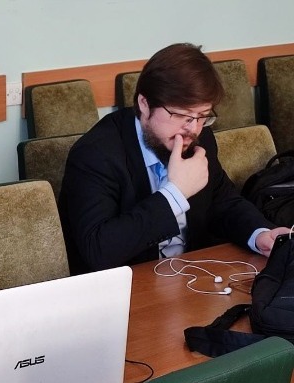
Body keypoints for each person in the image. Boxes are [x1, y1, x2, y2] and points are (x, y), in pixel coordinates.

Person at [59, 43, 290, 275]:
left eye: (202, 116)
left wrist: (260, 234)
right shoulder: (95, 155)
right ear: (144, 104)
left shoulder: (199, 137)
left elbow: (223, 201)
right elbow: (99, 250)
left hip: (191, 276)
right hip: (130, 285)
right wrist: (175, 194)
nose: (193, 129)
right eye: (181, 115)